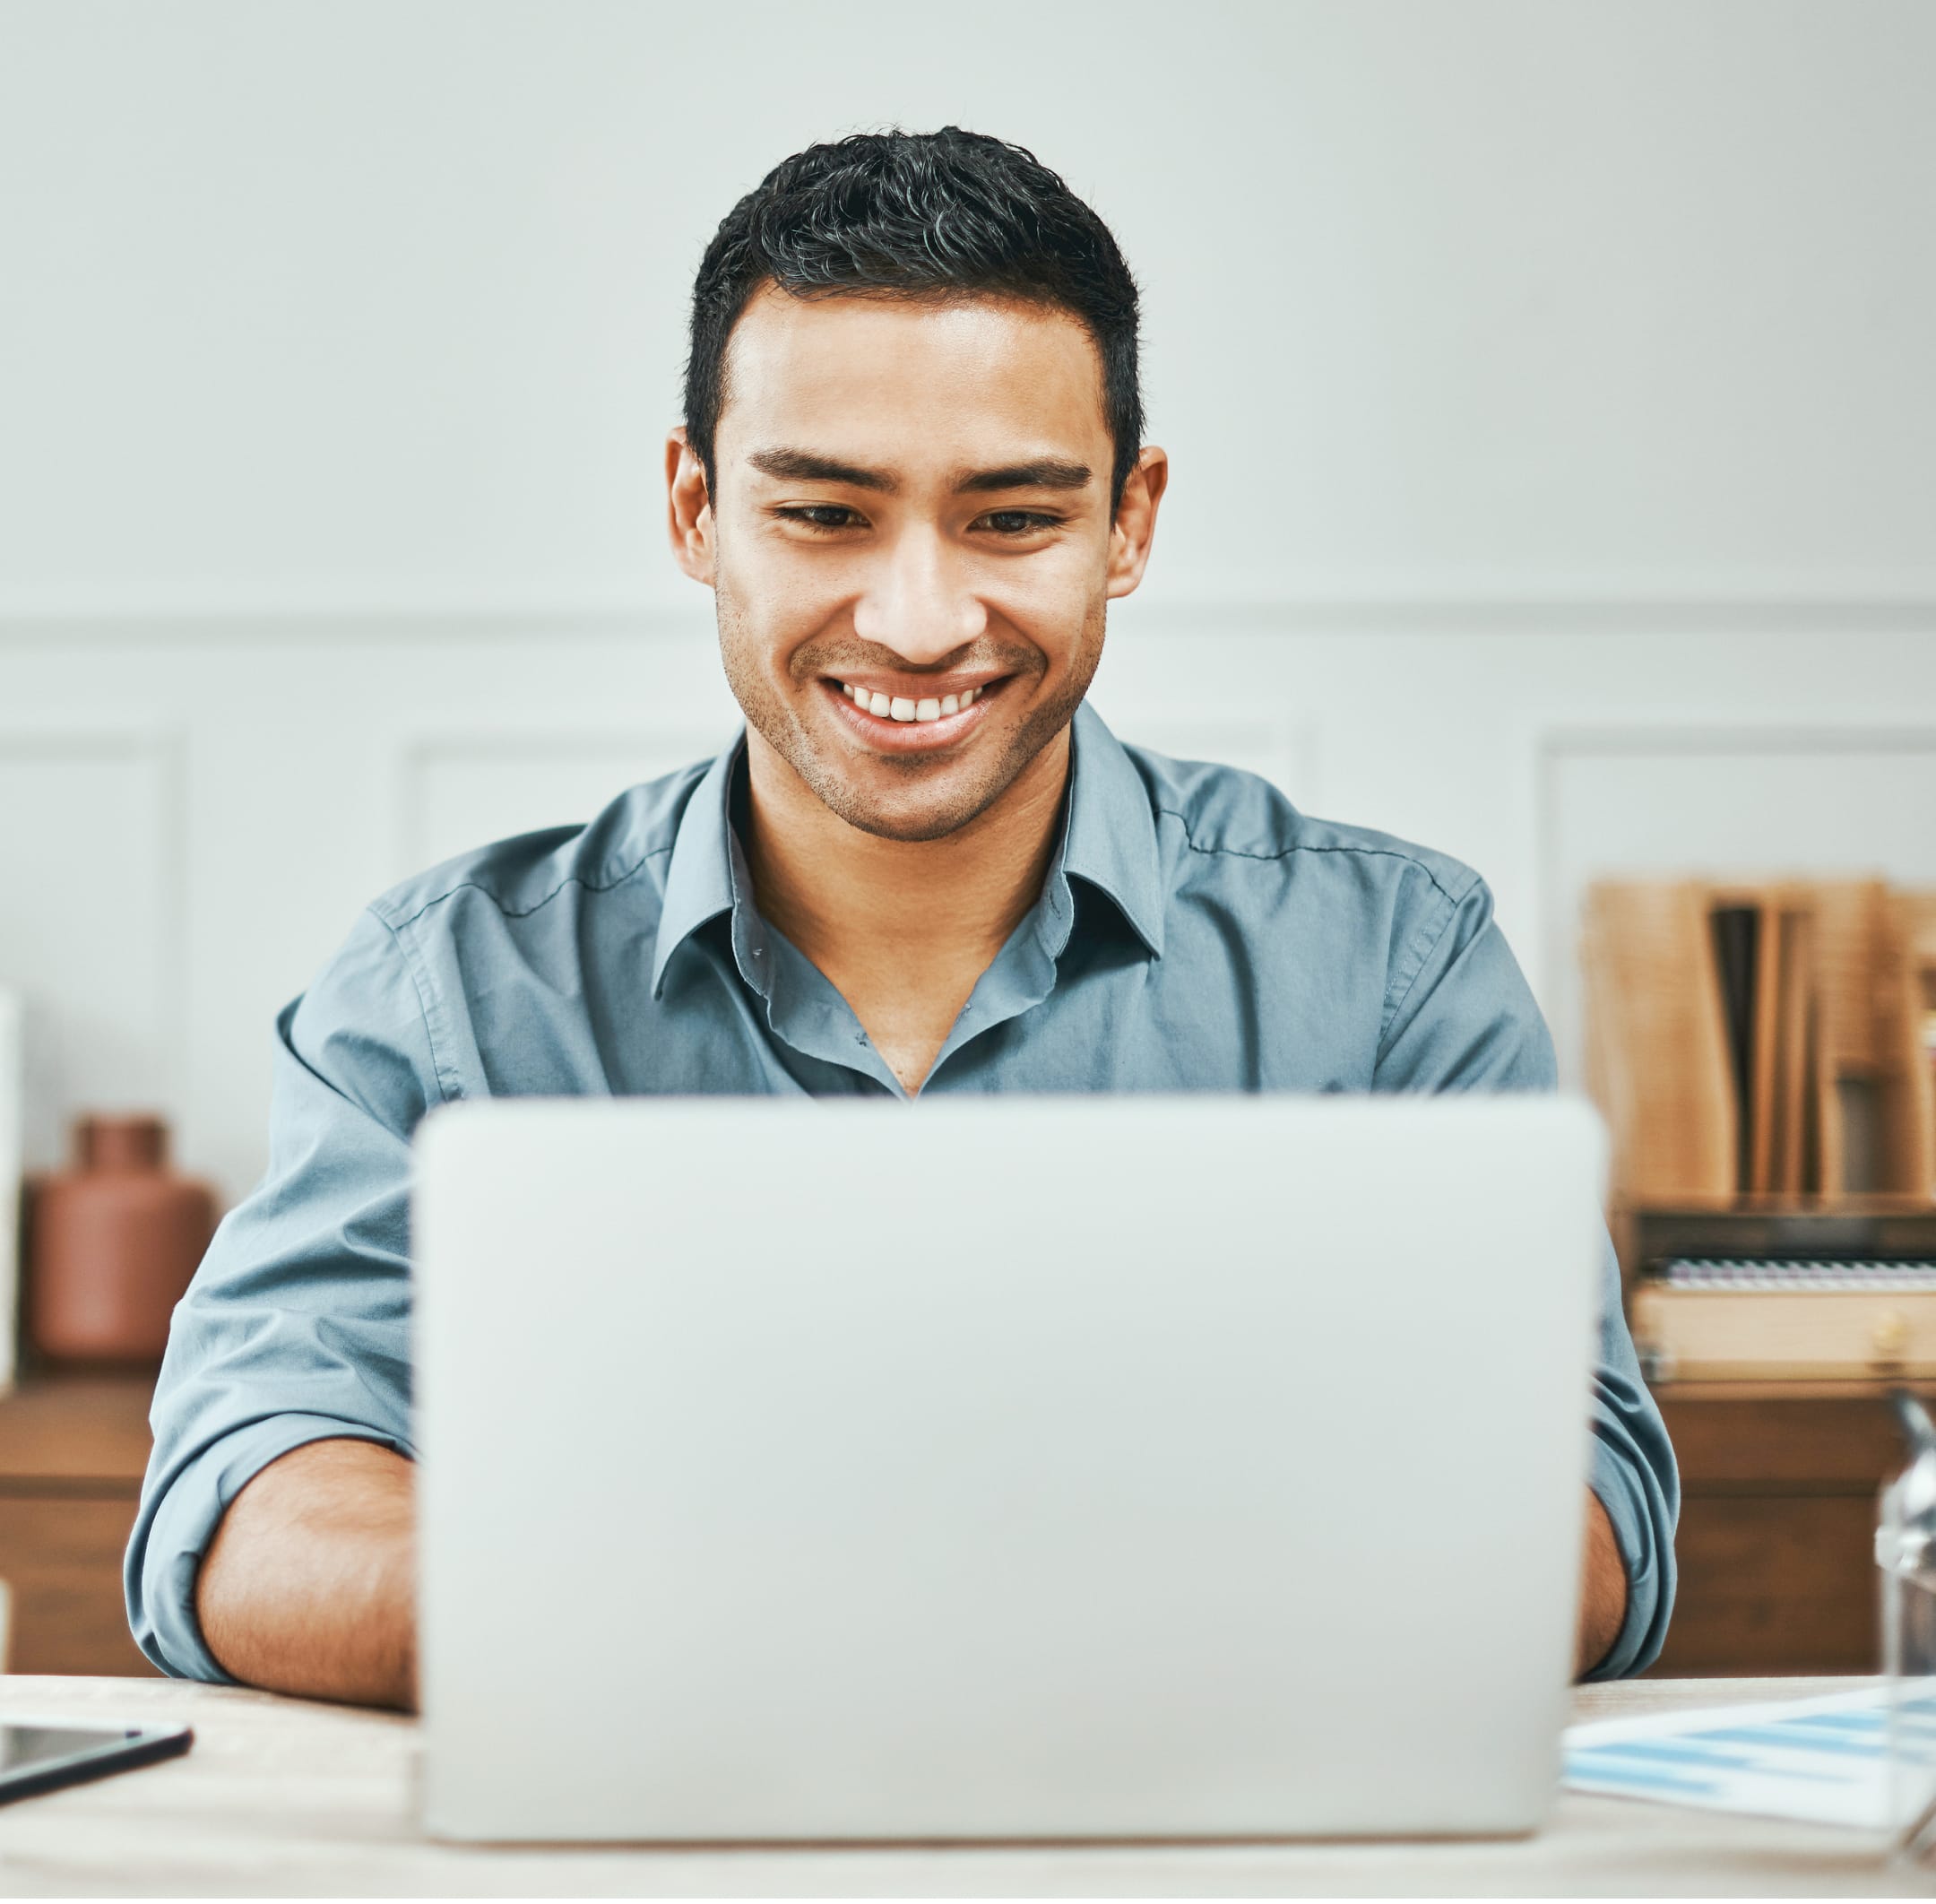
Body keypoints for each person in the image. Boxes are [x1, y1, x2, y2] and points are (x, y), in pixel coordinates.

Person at [126, 127, 1677, 1711]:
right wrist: (782, 1642)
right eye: (823, 516)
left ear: (1129, 521)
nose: (920, 621)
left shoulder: (1389, 971)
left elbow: (1581, 1518)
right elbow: (255, 1503)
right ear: (694, 508)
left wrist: (956, 1639)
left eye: (1011, 519)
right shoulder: (444, 990)